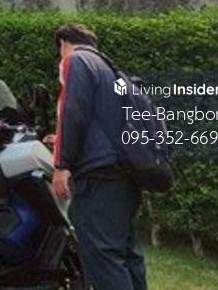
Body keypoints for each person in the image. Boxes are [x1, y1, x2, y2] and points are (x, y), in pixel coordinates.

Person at [52, 23, 148, 290]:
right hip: (125, 171)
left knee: (102, 255)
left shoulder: (75, 60)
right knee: (127, 253)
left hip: (98, 175)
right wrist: (58, 139)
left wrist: (62, 164)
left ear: (64, 44)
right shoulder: (111, 70)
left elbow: (73, 111)